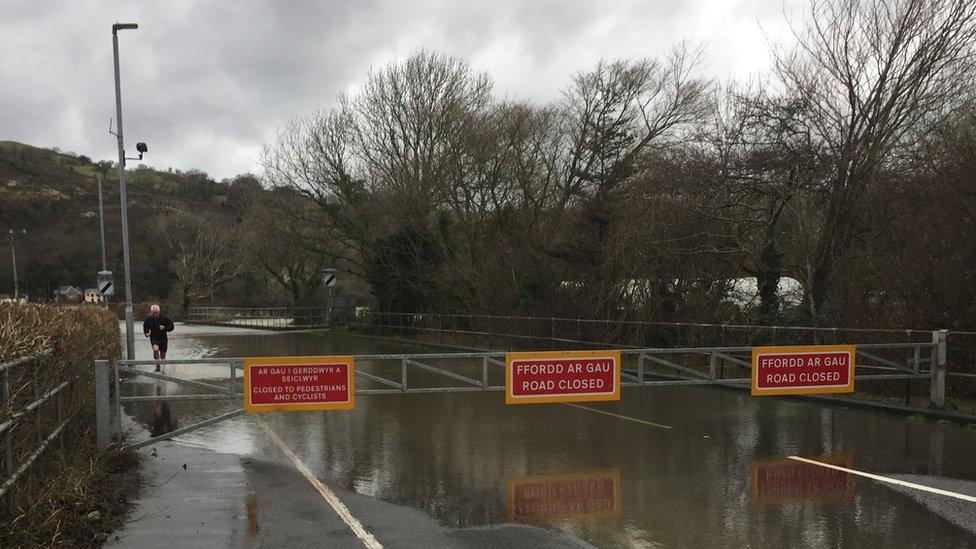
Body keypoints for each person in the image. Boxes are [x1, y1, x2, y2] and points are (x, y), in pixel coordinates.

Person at [143, 304, 175, 370]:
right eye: (154, 313)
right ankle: (157, 364)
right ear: (151, 313)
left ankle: (163, 369)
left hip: (163, 339)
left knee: (163, 356)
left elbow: (172, 327)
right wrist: (146, 333)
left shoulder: (164, 319)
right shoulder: (148, 320)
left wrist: (165, 328)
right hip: (154, 338)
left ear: (159, 312)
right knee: (155, 349)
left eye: (156, 313)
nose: (155, 314)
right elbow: (145, 327)